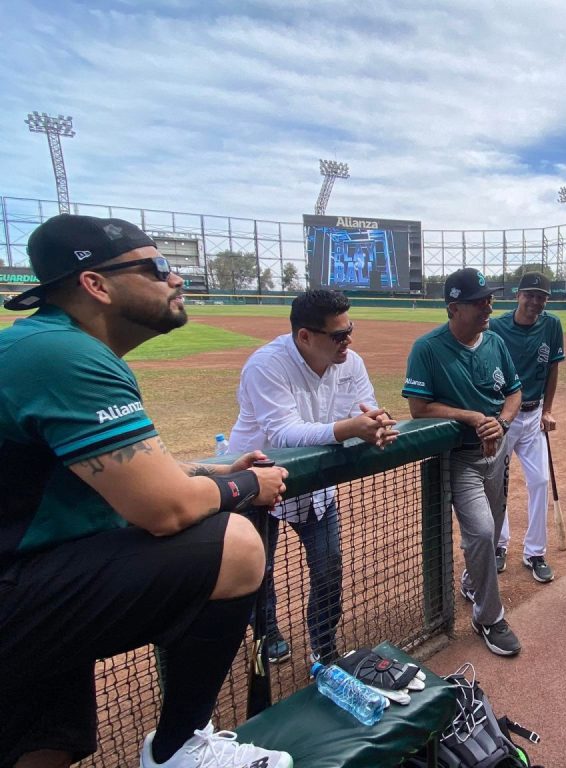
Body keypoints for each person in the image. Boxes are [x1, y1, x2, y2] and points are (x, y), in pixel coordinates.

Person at [0, 215, 291, 768]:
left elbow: (118, 472)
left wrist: (207, 471)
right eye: (156, 267)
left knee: (42, 744)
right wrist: (247, 484)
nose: (176, 278)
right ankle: (178, 748)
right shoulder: (62, 353)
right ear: (95, 284)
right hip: (19, 583)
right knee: (234, 544)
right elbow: (165, 509)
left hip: (33, 570)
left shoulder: (41, 345)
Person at [228, 289, 398, 666]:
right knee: (258, 570)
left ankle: (323, 644)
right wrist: (350, 428)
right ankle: (267, 631)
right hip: (256, 482)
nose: (347, 341)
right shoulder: (266, 365)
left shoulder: (350, 362)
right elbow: (283, 433)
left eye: (350, 330)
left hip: (314, 485)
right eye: (338, 335)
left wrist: (377, 423)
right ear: (305, 336)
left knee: (329, 566)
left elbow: (364, 410)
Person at [402, 268, 523, 656]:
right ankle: (489, 617)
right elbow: (419, 408)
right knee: (483, 533)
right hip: (460, 459)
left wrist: (501, 423)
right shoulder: (427, 348)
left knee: (495, 527)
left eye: (489, 299)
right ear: (454, 308)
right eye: (479, 302)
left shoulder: (495, 342)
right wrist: (471, 417)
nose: (489, 307)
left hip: (497, 450)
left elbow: (514, 393)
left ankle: (472, 583)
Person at [489, 272, 565, 583]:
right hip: (504, 417)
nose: (535, 301)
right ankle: (498, 544)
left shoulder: (552, 325)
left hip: (534, 416)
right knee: (497, 484)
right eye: (530, 295)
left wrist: (548, 410)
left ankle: (534, 552)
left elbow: (553, 369)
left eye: (541, 297)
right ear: (518, 296)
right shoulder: (496, 327)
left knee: (540, 480)